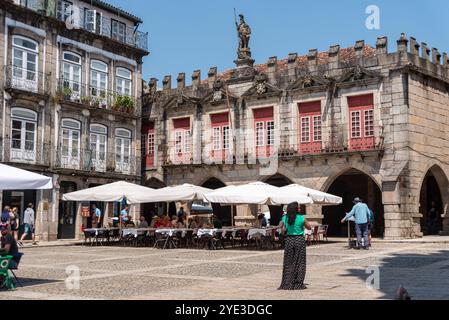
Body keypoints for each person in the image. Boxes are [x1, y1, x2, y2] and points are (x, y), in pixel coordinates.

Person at [278, 202, 312, 290]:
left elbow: (281, 229)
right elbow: (309, 227)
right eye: (299, 208)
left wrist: (283, 227)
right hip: (299, 240)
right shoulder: (301, 218)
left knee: (288, 261)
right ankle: (298, 282)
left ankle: (287, 282)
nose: (300, 209)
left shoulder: (285, 218)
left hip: (289, 240)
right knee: (300, 261)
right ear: (295, 209)